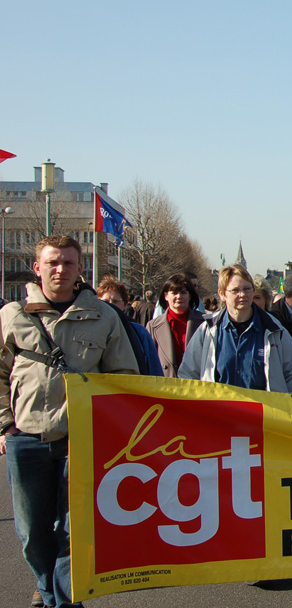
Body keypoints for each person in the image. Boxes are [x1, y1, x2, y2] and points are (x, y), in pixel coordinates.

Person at [1, 235, 139, 608]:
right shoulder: (13, 316)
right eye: (52, 263)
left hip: (79, 439)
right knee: (31, 534)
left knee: (72, 531)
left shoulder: (104, 316)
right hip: (25, 438)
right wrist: (4, 424)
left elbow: (123, 377)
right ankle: (50, 593)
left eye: (68, 263)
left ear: (81, 269)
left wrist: (106, 430)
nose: (60, 269)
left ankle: (63, 602)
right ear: (38, 268)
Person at [179, 265, 292, 393]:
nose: (242, 295)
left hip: (263, 411)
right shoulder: (208, 331)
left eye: (247, 289)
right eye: (235, 290)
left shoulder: (275, 330)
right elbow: (188, 374)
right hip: (219, 411)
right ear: (222, 294)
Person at [96, 276, 163, 376]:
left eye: (115, 301)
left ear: (125, 304)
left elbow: (153, 369)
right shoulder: (91, 330)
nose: (110, 305)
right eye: (105, 302)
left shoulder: (139, 332)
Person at [146, 273, 206, 378]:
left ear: (190, 295)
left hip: (196, 386)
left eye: (183, 292)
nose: (179, 297)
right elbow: (148, 361)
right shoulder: (153, 326)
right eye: (174, 293)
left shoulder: (205, 323)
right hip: (165, 388)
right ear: (166, 296)